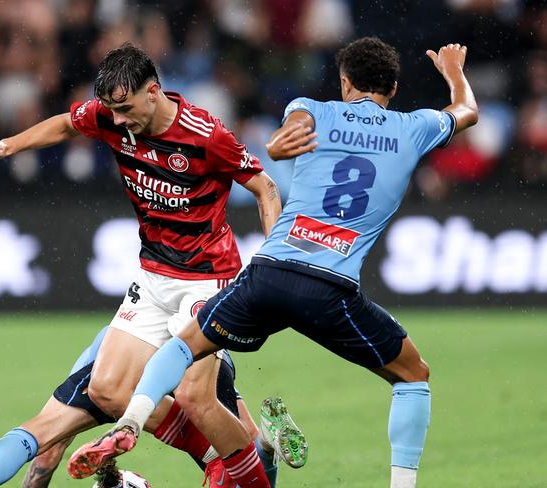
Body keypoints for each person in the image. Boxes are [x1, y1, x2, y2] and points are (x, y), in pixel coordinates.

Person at [80, 38, 479, 488]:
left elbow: (288, 131)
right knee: (413, 376)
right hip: (329, 289)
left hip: (267, 272)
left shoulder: (312, 109)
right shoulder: (414, 126)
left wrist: (281, 141)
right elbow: (466, 111)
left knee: (182, 346)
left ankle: (132, 421)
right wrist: (453, 72)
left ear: (344, 82)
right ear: (395, 87)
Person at [0, 43, 286, 487]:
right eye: (111, 110)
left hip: (205, 279)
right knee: (107, 389)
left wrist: (272, 259)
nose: (116, 120)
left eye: (125, 108)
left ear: (153, 91)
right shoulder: (107, 114)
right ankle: (235, 455)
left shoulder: (205, 134)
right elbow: (65, 124)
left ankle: (243, 467)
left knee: (196, 396)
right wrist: (8, 145)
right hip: (152, 275)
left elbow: (266, 188)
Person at [0, 325, 285, 488]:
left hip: (116, 361)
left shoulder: (123, 322)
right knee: (240, 456)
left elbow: (48, 457)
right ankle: (265, 448)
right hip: (200, 353)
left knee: (43, 436)